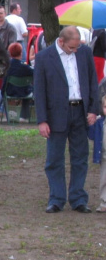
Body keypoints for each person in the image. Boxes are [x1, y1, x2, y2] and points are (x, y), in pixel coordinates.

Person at [34, 26, 99, 213]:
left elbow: (92, 81)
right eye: (72, 47)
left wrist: (93, 109)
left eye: (77, 46)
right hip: (56, 115)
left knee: (80, 158)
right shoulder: (44, 57)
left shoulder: (84, 53)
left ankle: (78, 198)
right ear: (61, 41)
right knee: (54, 159)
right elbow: (39, 91)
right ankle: (56, 198)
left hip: (81, 112)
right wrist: (42, 120)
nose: (75, 50)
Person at [3, 42, 33, 122]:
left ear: (10, 53)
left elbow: (4, 82)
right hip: (24, 92)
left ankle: (8, 115)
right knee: (29, 90)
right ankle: (24, 115)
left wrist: (3, 92)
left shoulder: (7, 66)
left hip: (10, 92)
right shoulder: (25, 66)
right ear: (21, 52)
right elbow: (34, 73)